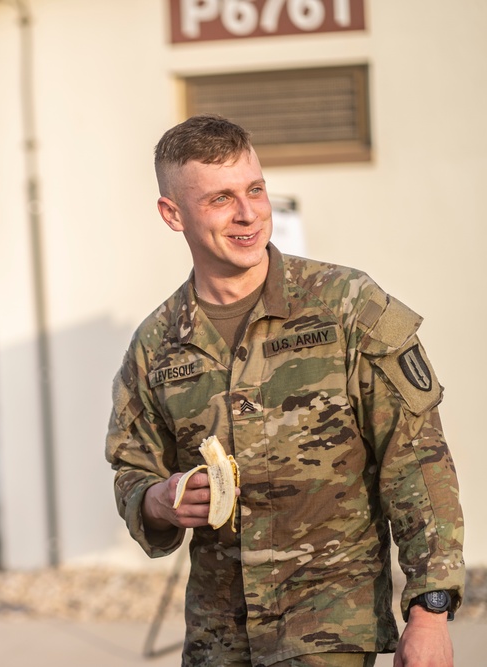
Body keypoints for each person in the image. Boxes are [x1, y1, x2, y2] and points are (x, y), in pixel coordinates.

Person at [105, 115, 464, 667]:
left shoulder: (345, 304)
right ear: (172, 214)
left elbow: (416, 460)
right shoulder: (157, 345)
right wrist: (157, 500)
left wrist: (429, 610)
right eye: (221, 198)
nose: (248, 213)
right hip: (218, 635)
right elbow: (133, 469)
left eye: (255, 189)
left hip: (330, 625)